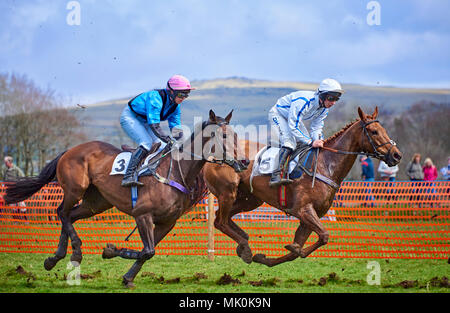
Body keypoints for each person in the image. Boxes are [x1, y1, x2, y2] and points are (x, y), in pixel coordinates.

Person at [119, 74, 196, 187]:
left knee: (162, 145)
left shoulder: (176, 106)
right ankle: (128, 176)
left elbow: (175, 128)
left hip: (145, 122)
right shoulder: (155, 98)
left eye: (186, 95)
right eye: (181, 94)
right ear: (171, 91)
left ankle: (151, 173)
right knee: (146, 143)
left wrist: (183, 143)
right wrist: (167, 139)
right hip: (131, 117)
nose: (183, 98)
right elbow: (154, 125)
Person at [267, 78, 344, 187]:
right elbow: (293, 125)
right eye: (331, 98)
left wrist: (318, 139)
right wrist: (310, 142)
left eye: (337, 99)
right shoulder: (304, 101)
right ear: (322, 95)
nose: (333, 102)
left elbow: (316, 127)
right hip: (278, 114)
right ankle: (275, 176)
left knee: (306, 142)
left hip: (291, 118)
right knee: (290, 143)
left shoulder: (324, 108)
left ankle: (292, 170)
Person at [2, 156, 27, 223]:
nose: (5, 164)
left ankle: (25, 220)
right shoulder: (5, 171)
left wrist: (19, 185)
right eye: (5, 162)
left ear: (10, 162)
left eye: (6, 162)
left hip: (18, 190)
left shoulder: (16, 169)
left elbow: (23, 177)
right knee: (13, 206)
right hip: (10, 191)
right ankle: (16, 221)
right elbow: (4, 181)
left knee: (21, 205)